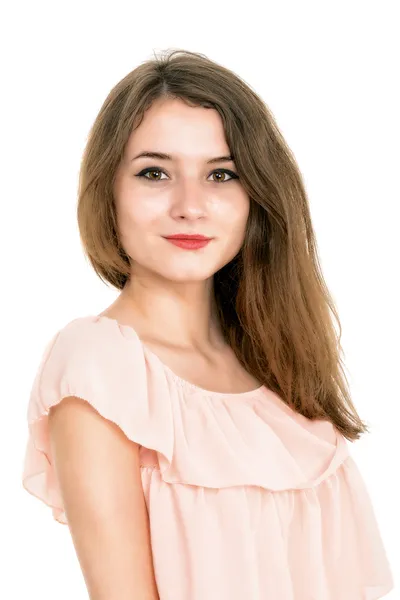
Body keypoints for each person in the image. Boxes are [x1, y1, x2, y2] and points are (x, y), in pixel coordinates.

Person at [22, 48, 394, 600]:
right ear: (109, 191)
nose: (190, 205)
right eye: (155, 173)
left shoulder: (280, 364)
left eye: (221, 174)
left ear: (256, 196)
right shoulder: (102, 368)